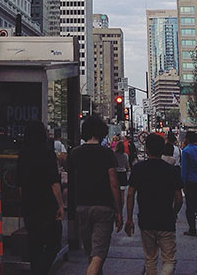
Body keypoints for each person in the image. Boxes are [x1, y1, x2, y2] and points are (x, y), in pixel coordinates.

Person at [67, 114, 123, 275]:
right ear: (102, 132)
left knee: (91, 254)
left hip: (82, 206)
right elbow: (114, 182)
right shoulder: (106, 154)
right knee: (98, 254)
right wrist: (119, 211)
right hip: (103, 207)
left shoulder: (76, 153)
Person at [125, 133, 183, 275]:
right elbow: (179, 198)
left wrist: (129, 219)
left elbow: (131, 194)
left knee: (150, 258)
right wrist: (174, 213)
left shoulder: (138, 169)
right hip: (166, 220)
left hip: (146, 219)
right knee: (169, 260)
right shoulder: (172, 170)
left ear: (146, 149)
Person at [18, 120, 65, 274]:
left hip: (29, 203)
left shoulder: (23, 154)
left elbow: (20, 183)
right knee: (54, 242)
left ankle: (36, 269)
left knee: (35, 242)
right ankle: (41, 270)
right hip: (46, 203)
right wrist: (60, 204)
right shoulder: (47, 153)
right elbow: (54, 183)